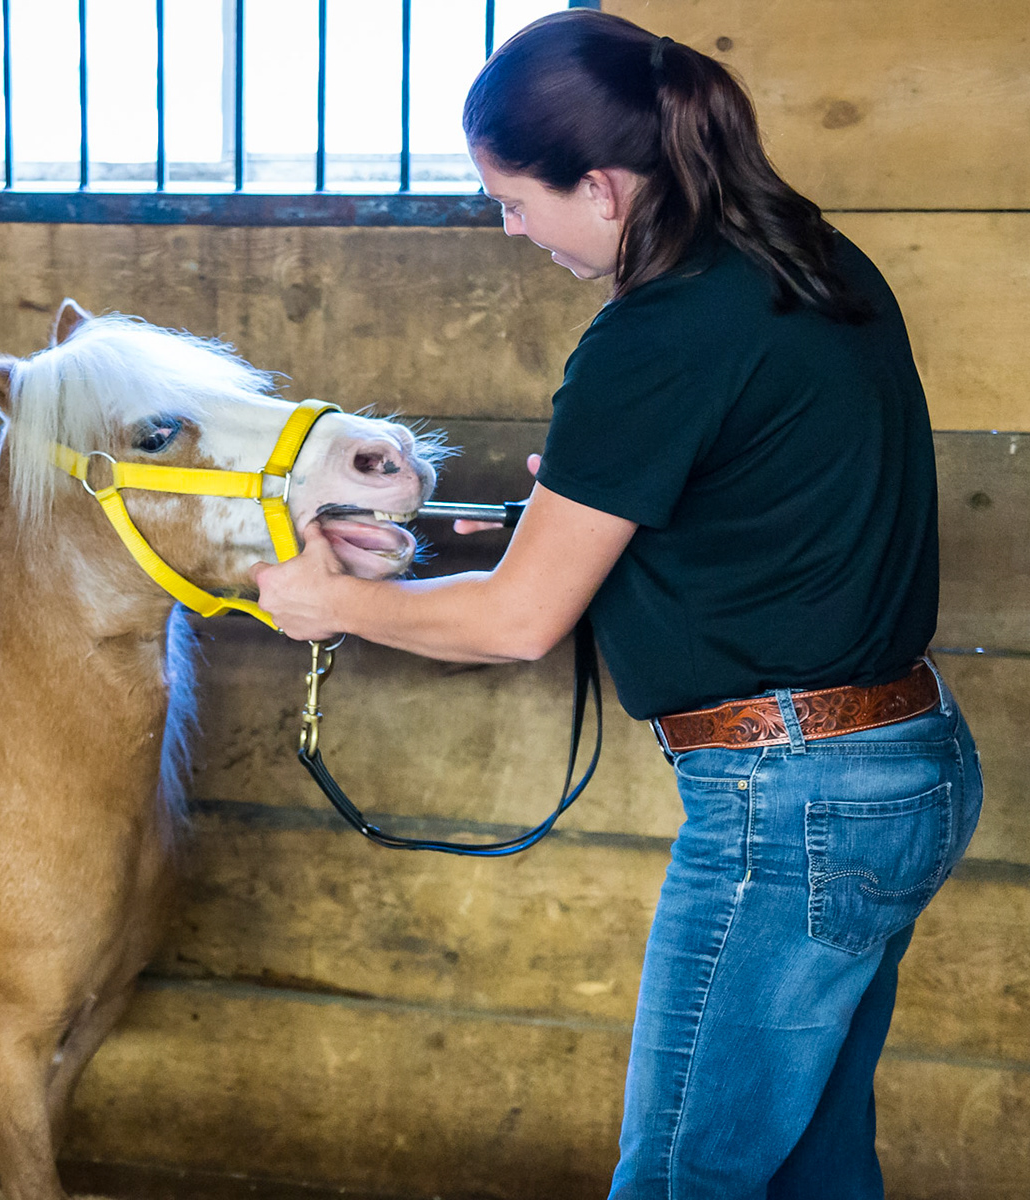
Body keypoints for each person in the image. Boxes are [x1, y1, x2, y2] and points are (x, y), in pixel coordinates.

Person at [251, 10, 982, 1199]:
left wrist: (331, 602)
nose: (509, 227)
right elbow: (744, 513)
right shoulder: (806, 259)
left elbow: (517, 622)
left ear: (598, 183)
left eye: (515, 200)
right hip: (899, 764)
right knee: (811, 1166)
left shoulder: (655, 335)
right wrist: (480, 537)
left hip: (788, 805)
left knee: (684, 1178)